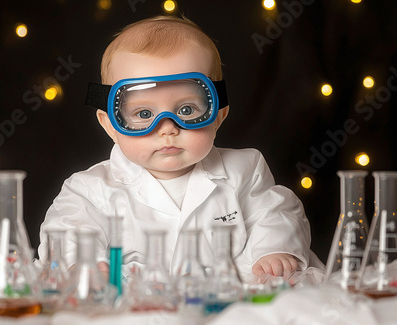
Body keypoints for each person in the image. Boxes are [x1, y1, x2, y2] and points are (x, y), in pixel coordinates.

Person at [37, 16, 323, 281]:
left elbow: (277, 213)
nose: (167, 127)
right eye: (144, 114)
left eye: (186, 109)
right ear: (111, 125)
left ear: (219, 114)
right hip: (135, 307)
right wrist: (81, 263)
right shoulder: (90, 189)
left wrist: (273, 252)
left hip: (227, 302)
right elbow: (66, 231)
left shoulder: (244, 169)